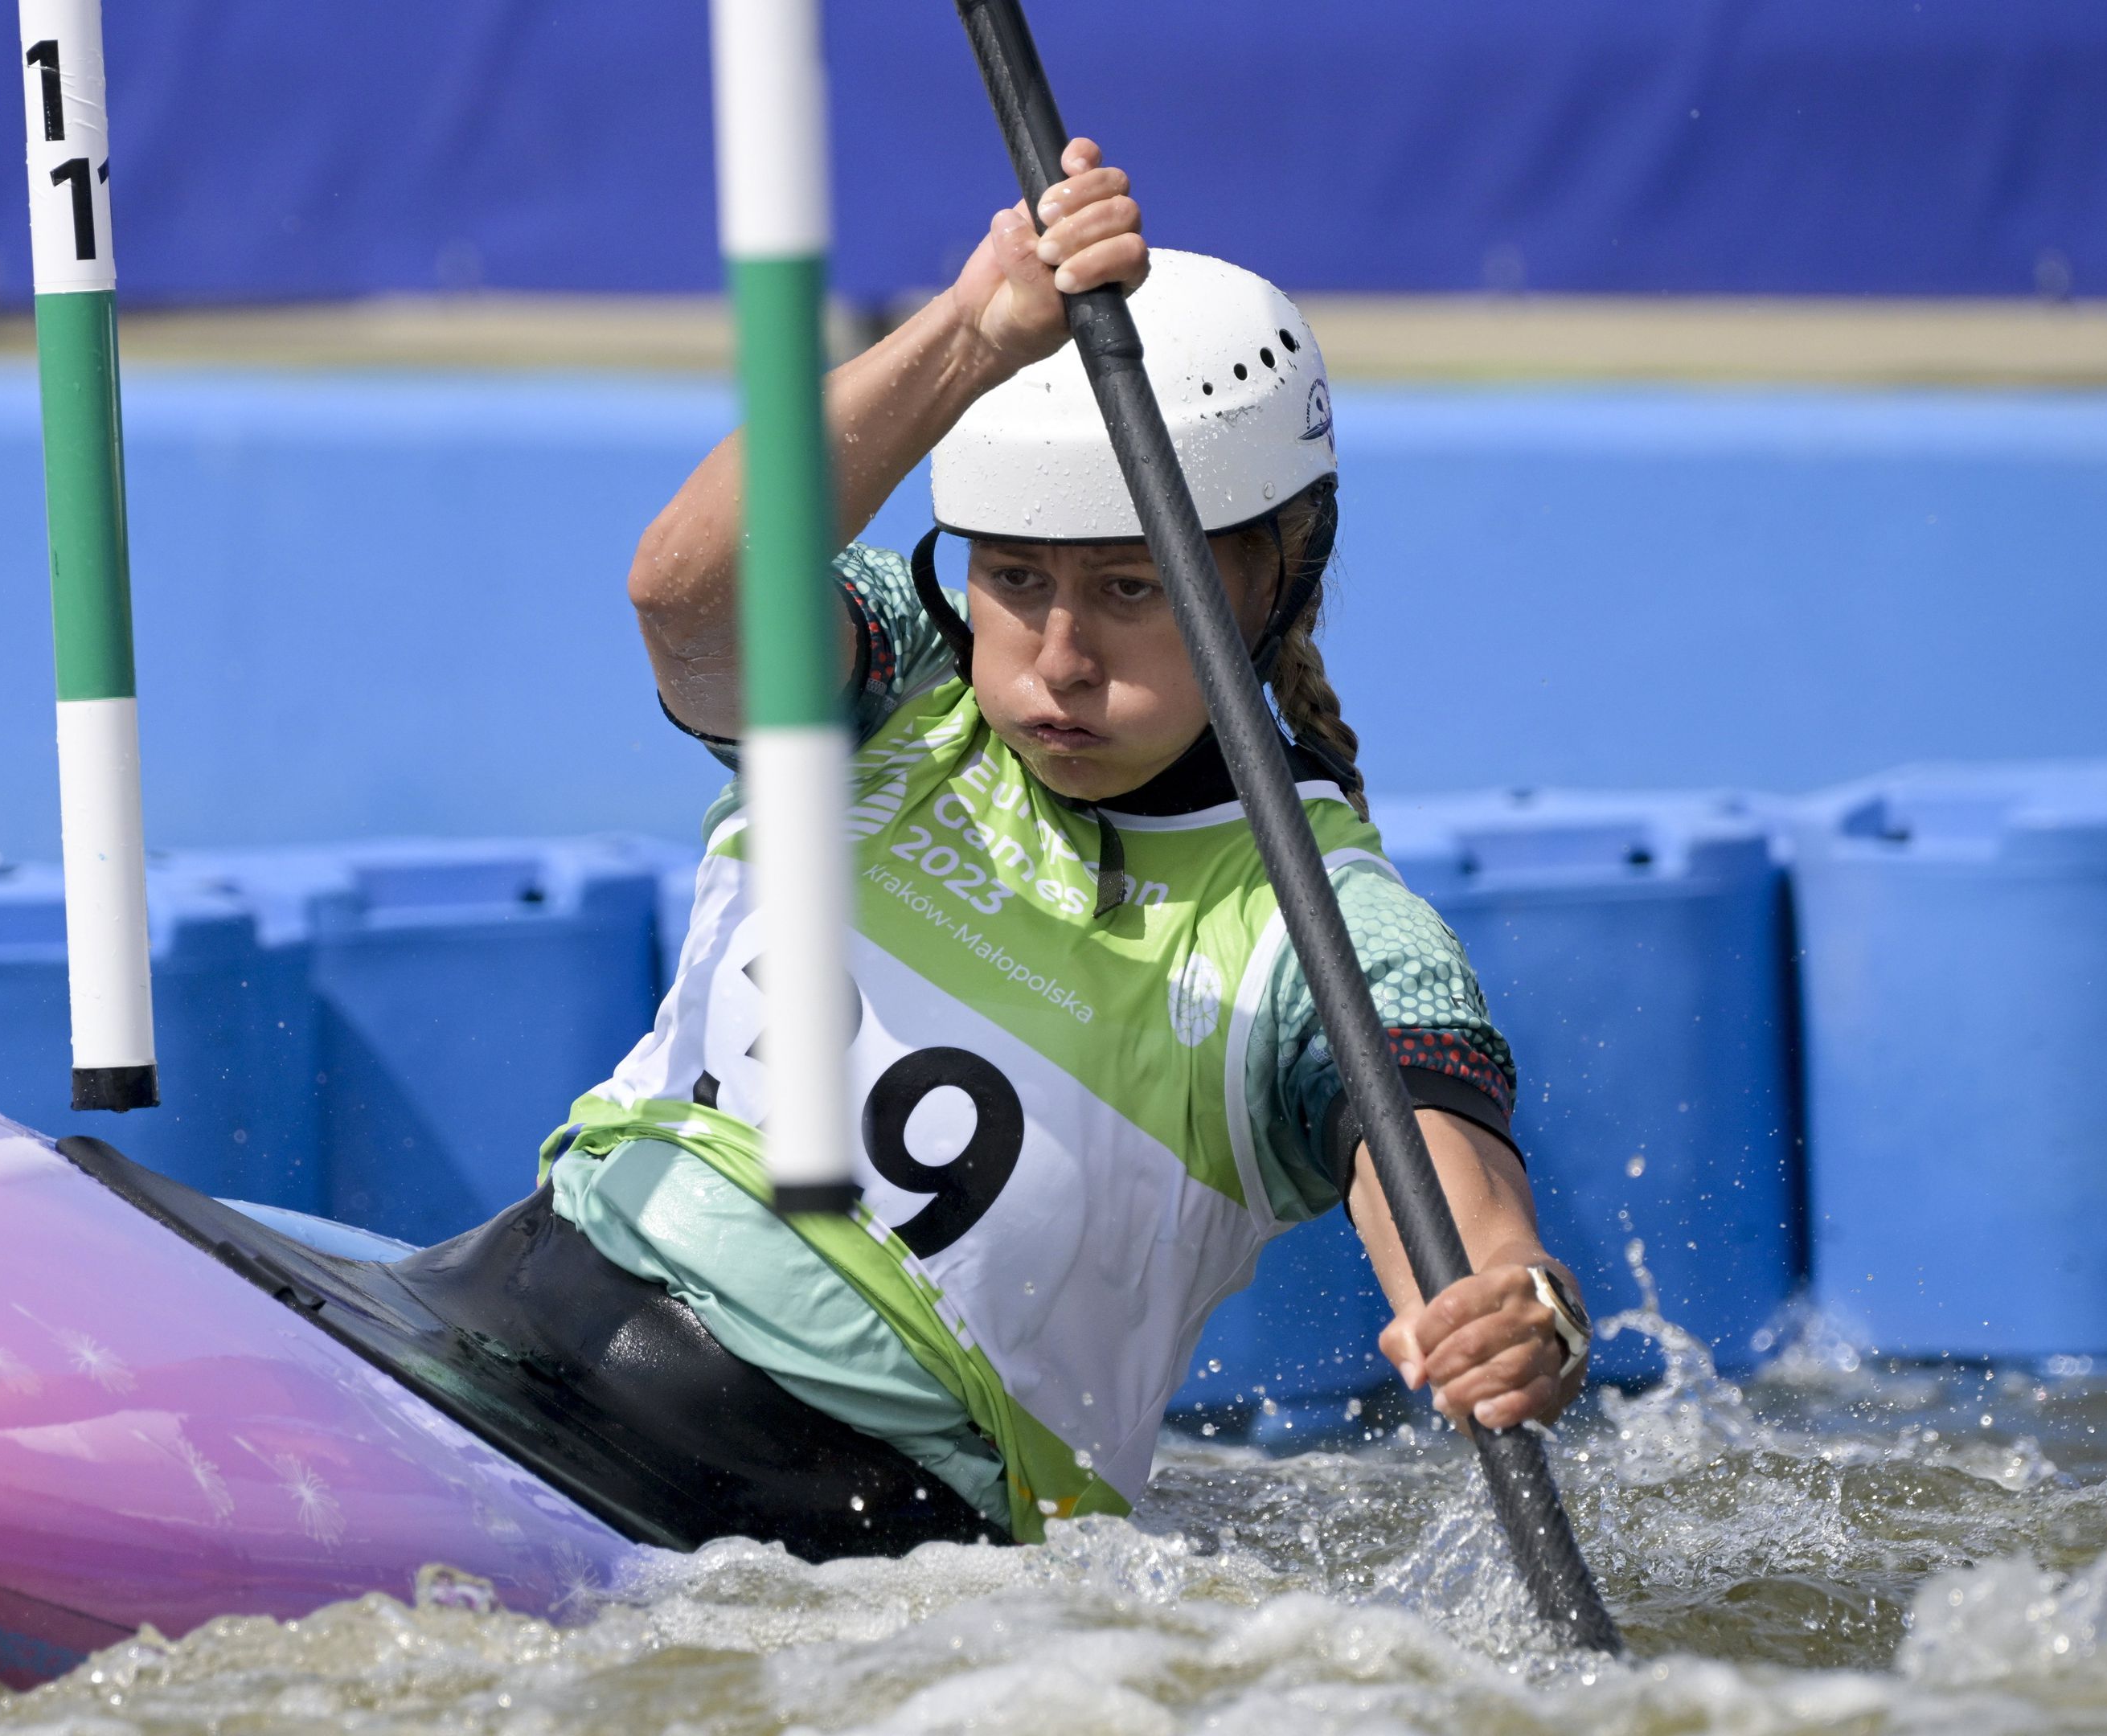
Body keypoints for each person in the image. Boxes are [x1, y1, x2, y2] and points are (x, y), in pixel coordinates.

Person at [535, 141, 1592, 1541]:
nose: (1056, 662)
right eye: (1015, 578)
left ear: (1280, 576)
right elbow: (684, 595)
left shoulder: (1323, 932)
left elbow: (1454, 1202)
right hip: (530, 1313)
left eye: (1132, 589)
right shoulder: (898, 684)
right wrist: (970, 335)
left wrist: (1513, 1310)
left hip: (869, 1519)